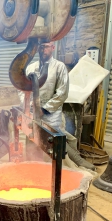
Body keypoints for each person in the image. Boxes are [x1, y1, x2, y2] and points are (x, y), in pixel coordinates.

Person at [18, 41, 95, 170]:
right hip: (31, 114)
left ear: (53, 48)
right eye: (41, 47)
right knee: (32, 141)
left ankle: (53, 171)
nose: (43, 50)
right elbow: (22, 90)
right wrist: (27, 105)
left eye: (46, 47)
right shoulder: (31, 68)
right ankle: (33, 168)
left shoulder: (59, 67)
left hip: (51, 114)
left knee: (53, 144)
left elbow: (62, 93)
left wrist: (45, 109)